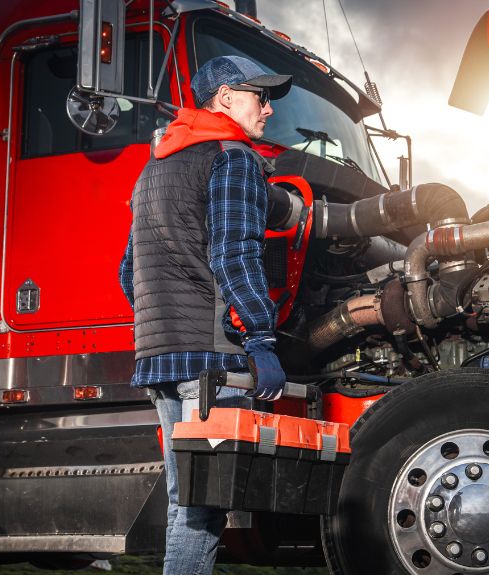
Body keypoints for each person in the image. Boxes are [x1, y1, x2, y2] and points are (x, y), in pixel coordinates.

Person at [118, 55, 291, 574]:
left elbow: (130, 272)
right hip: (212, 362)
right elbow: (235, 254)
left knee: (186, 499)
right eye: (260, 97)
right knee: (205, 504)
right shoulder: (231, 157)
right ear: (224, 99)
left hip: (158, 357)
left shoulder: (155, 167)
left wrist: (168, 321)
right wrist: (260, 338)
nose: (268, 109)